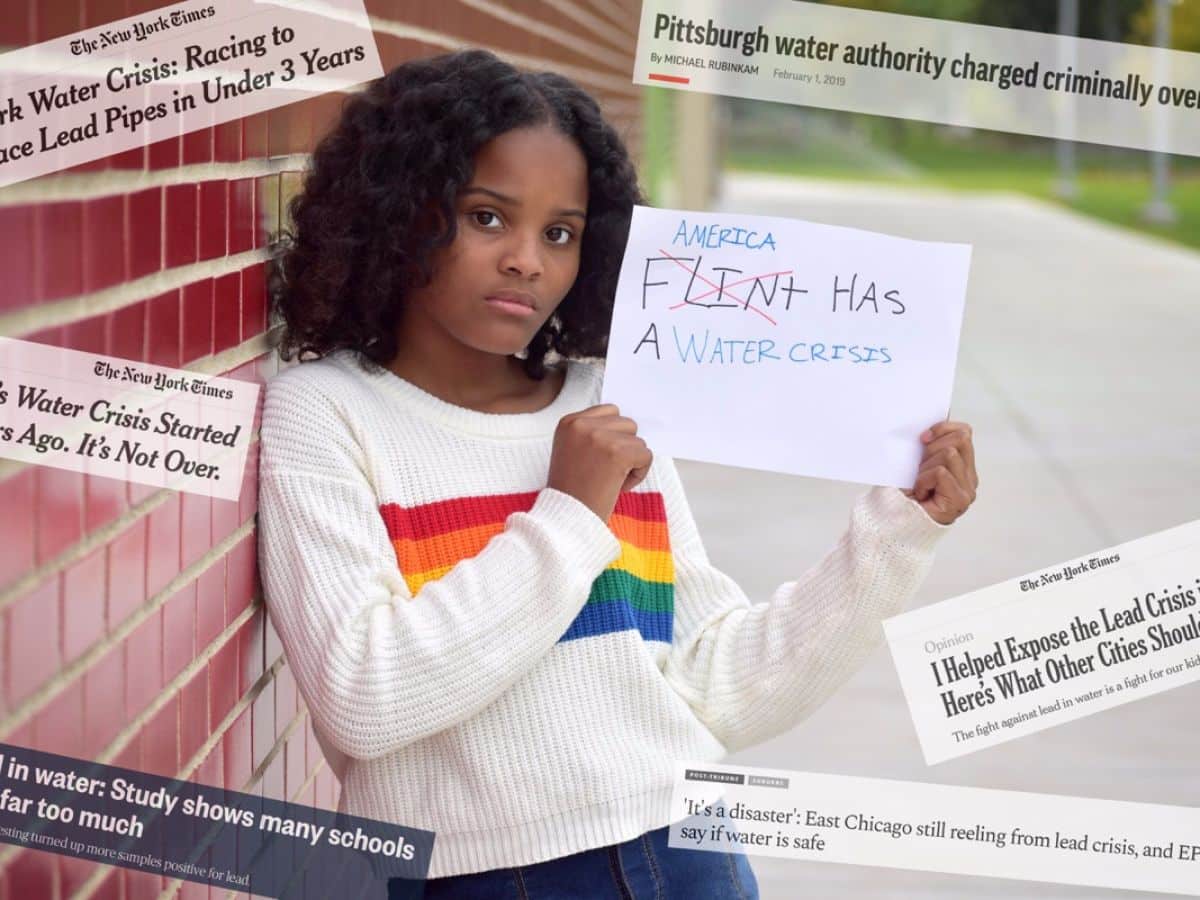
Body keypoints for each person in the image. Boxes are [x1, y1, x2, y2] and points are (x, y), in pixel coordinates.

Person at [257, 48, 978, 899]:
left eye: (560, 233)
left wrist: (897, 536)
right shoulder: (328, 413)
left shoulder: (611, 408)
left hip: (689, 856)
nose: (528, 259)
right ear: (400, 212)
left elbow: (716, 687)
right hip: (481, 876)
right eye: (488, 217)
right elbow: (366, 699)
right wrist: (569, 514)